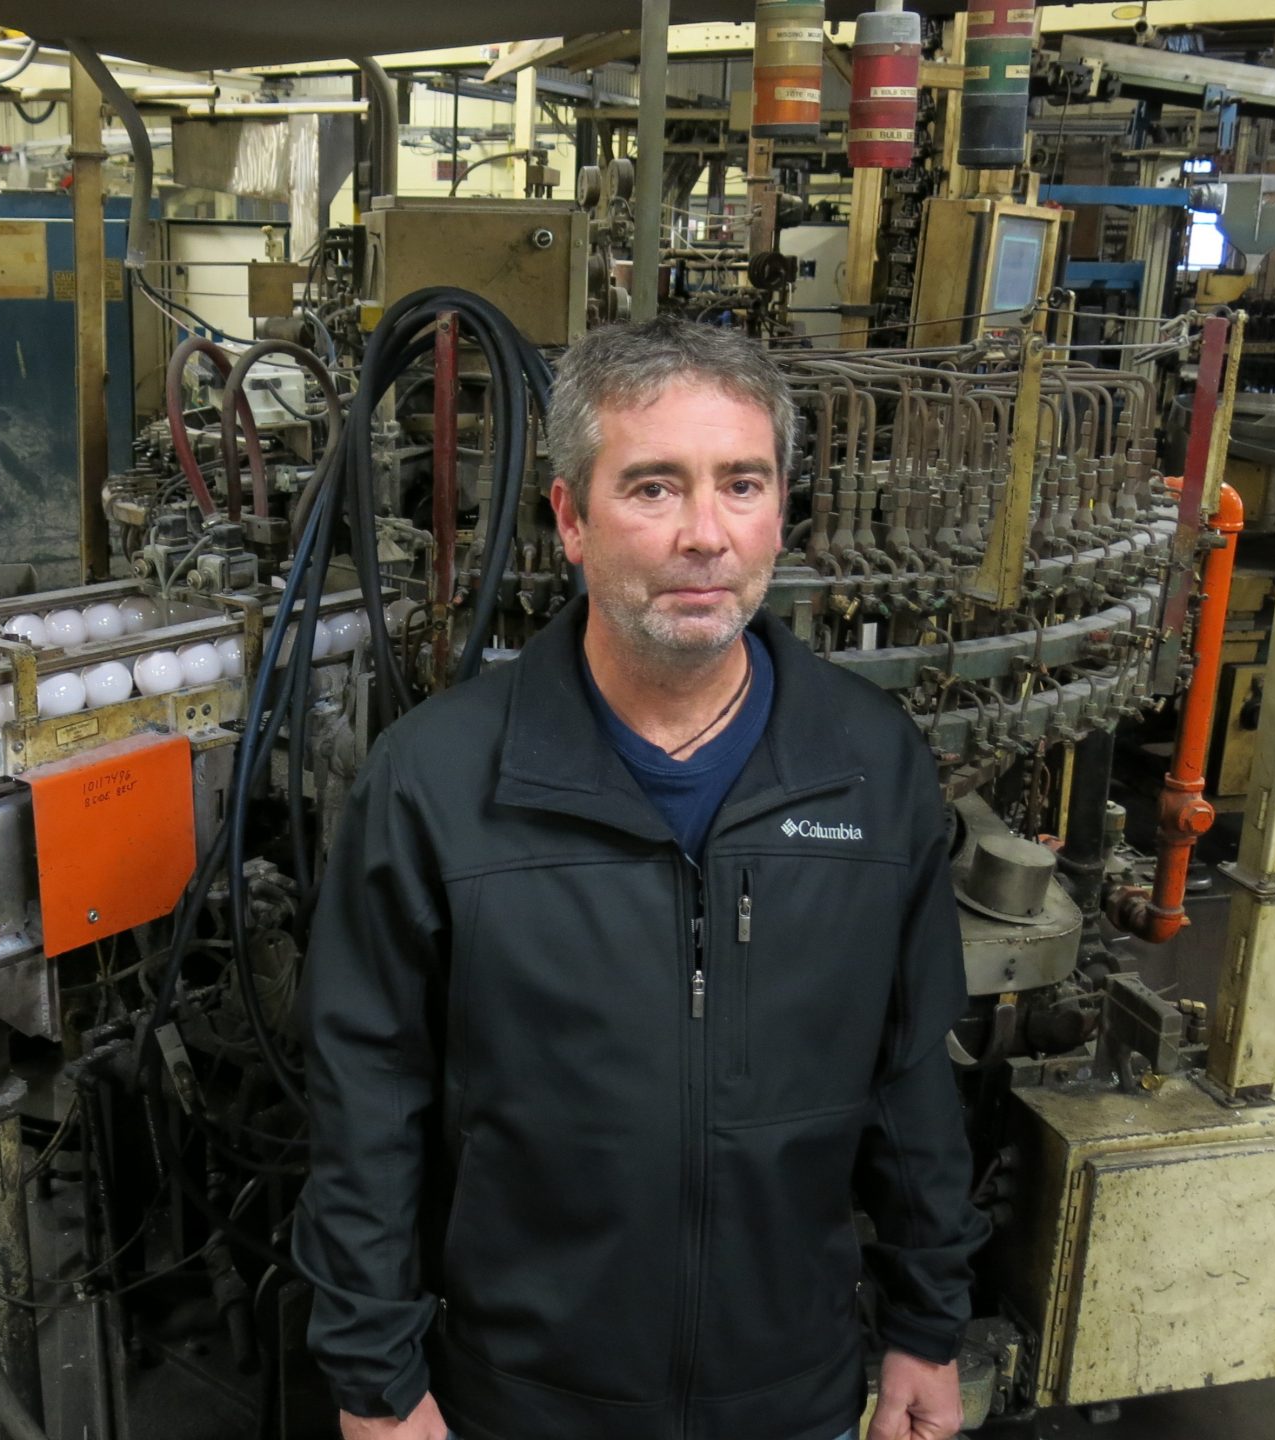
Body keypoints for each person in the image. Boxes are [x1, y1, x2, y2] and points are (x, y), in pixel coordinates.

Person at [293, 318, 990, 1440]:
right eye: (654, 488)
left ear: (780, 510)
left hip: (792, 1389)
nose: (705, 536)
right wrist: (377, 1381)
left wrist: (925, 1325)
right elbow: (367, 1102)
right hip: (520, 1398)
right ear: (570, 519)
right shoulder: (437, 785)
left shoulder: (869, 770)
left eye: (742, 484)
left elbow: (911, 1078)